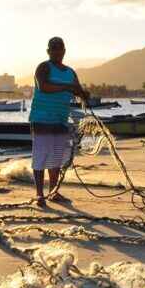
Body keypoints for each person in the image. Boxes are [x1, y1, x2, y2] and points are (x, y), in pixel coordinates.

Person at [28, 37, 89, 207]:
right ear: (48, 51)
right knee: (40, 157)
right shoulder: (43, 67)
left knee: (56, 158)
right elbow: (43, 86)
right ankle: (40, 195)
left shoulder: (71, 72)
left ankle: (53, 192)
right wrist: (67, 88)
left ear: (64, 51)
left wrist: (84, 94)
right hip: (41, 119)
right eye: (53, 48)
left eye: (59, 48)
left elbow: (79, 92)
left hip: (61, 120)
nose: (56, 51)